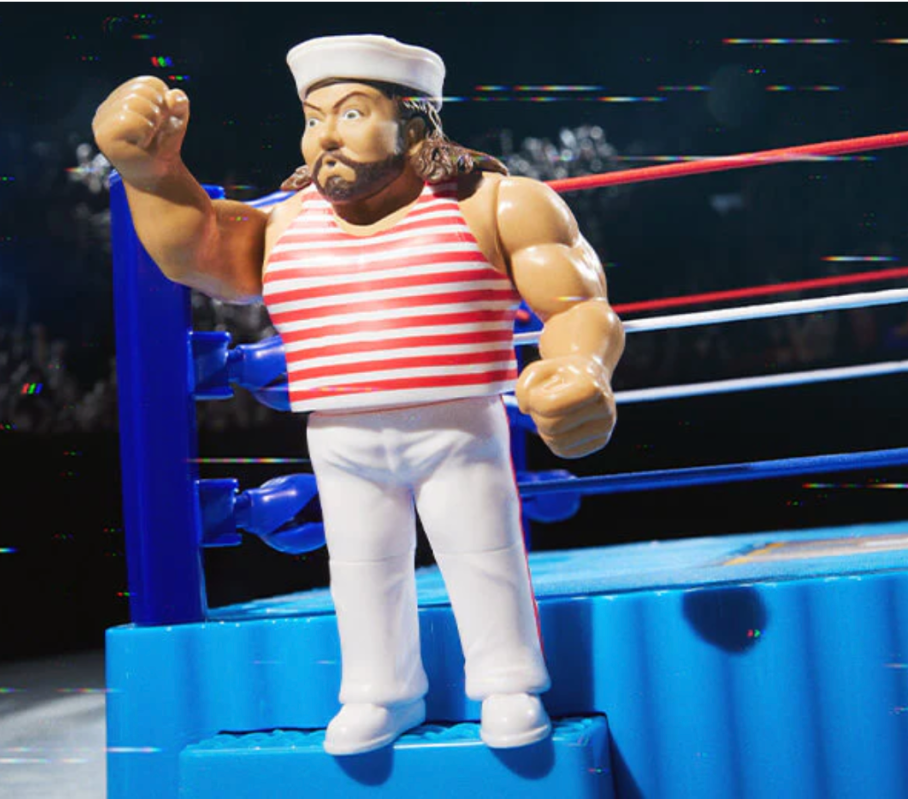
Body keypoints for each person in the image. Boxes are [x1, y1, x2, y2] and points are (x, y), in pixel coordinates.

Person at [93, 34, 624, 756]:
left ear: (414, 121)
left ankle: (508, 682)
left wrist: (580, 368)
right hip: (339, 432)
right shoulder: (287, 221)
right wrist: (151, 172)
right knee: (360, 567)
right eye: (313, 119)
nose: (325, 138)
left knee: (482, 552)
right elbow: (199, 247)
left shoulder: (496, 204)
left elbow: (577, 304)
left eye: (349, 113)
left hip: (456, 420)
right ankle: (380, 690)